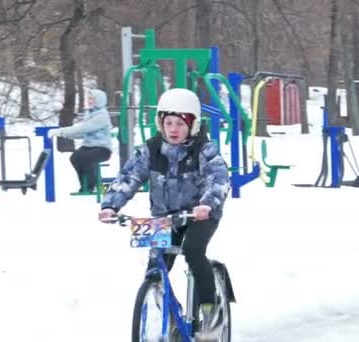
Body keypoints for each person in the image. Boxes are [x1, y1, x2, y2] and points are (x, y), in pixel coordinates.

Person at [97, 88, 230, 337]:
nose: (173, 129)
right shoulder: (151, 150)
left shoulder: (204, 150)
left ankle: (212, 313)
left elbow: (219, 178)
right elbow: (129, 176)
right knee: (155, 268)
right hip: (164, 217)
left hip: (199, 215)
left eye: (180, 123)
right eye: (168, 122)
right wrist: (110, 205)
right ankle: (172, 318)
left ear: (192, 125)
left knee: (192, 251)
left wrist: (208, 204)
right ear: (160, 123)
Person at [48, 89, 112, 193]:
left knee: (85, 158)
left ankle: (94, 185)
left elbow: (84, 128)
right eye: (88, 99)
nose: (89, 101)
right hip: (89, 147)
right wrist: (66, 135)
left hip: (102, 148)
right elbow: (83, 133)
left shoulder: (101, 116)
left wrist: (60, 131)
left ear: (99, 100)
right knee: (75, 157)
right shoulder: (91, 114)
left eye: (92, 99)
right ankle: (85, 185)